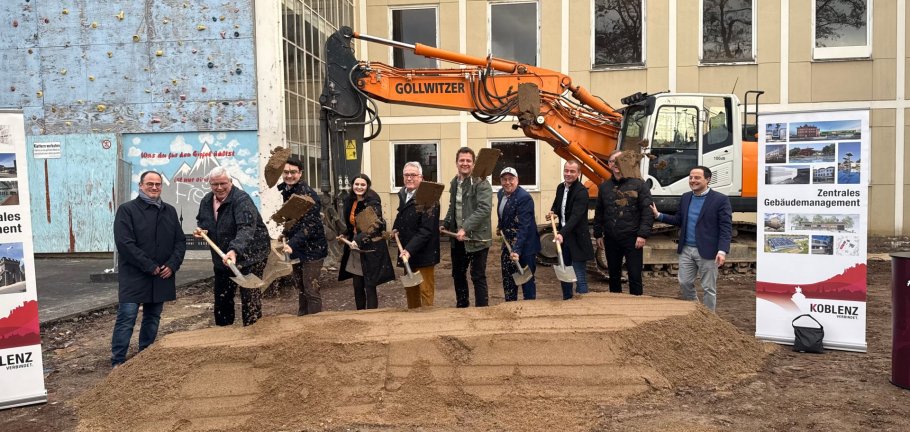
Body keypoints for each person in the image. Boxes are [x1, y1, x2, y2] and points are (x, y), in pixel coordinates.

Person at [111, 171, 186, 367]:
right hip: (135, 274)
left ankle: (145, 357)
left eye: (158, 184)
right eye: (150, 184)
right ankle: (118, 360)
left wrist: (172, 265)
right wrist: (150, 266)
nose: (154, 187)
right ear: (141, 185)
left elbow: (180, 241)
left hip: (162, 274)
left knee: (153, 317)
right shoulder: (127, 210)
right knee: (127, 316)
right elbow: (125, 243)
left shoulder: (169, 211)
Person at [194, 166, 270, 326]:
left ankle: (253, 331)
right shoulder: (207, 200)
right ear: (210, 184)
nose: (219, 188)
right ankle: (224, 330)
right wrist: (202, 229)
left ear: (231, 182)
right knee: (222, 296)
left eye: (223, 183)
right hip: (222, 256)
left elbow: (246, 228)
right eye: (215, 184)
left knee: (250, 297)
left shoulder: (241, 199)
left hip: (251, 255)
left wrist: (234, 250)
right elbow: (202, 220)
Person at [650, 166, 732, 311]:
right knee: (684, 283)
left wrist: (722, 251)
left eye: (697, 178)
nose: (693, 180)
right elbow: (679, 219)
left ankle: (709, 319)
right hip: (686, 249)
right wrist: (658, 215)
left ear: (708, 179)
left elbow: (726, 228)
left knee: (708, 288)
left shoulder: (720, 200)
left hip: (708, 251)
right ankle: (696, 311)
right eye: (691, 177)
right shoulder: (686, 197)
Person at [593, 150, 653, 295]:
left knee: (634, 274)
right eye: (613, 161)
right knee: (613, 274)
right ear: (609, 164)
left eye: (620, 160)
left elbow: (647, 211)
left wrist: (642, 235)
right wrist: (598, 234)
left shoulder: (639, 185)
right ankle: (616, 304)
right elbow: (599, 211)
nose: (616, 164)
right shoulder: (605, 187)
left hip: (632, 237)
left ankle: (636, 303)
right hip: (611, 237)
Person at [442, 147, 492, 308]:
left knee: (477, 276)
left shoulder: (481, 182)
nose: (465, 163)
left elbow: (484, 208)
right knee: (458, 274)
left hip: (477, 238)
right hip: (458, 239)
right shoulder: (455, 182)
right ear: (456, 163)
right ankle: (462, 307)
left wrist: (465, 227)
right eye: (461, 160)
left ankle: (482, 310)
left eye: (468, 160)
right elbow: (453, 206)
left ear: (473, 163)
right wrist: (446, 223)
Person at [277, 158, 328, 315]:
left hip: (313, 249)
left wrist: (292, 243)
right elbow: (293, 218)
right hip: (298, 248)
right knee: (301, 288)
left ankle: (314, 325)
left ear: (300, 173)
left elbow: (310, 225)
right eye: (286, 172)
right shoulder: (288, 191)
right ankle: (302, 321)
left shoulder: (307, 195)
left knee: (311, 289)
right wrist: (285, 233)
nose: (289, 175)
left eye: (293, 172)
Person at [338, 174, 396, 309]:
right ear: (352, 185)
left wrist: (358, 240)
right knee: (357, 285)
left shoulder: (373, 201)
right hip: (355, 248)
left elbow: (374, 225)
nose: (359, 187)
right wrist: (346, 234)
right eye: (356, 184)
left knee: (370, 285)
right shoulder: (349, 200)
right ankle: (360, 314)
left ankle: (372, 316)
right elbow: (350, 225)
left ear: (367, 186)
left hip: (370, 248)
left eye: (362, 185)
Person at [392, 161, 440, 308]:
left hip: (423, 254)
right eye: (406, 175)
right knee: (411, 292)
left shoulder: (429, 197)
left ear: (421, 178)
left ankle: (426, 323)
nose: (409, 178)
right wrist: (395, 228)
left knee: (425, 291)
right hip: (407, 252)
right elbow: (403, 214)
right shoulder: (404, 194)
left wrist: (409, 250)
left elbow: (426, 230)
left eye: (413, 175)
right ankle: (412, 320)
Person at [548, 160, 594, 300]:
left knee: (579, 275)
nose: (568, 174)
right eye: (566, 170)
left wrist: (561, 234)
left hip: (577, 239)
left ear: (578, 173)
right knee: (564, 271)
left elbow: (575, 217)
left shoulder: (581, 192)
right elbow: (557, 205)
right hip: (563, 238)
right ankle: (567, 300)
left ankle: (583, 304)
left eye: (572, 171)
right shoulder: (560, 188)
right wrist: (553, 212)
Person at [497, 167, 541, 301]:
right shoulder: (501, 193)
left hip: (525, 246)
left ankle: (529, 309)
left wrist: (516, 250)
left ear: (517, 180)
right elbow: (503, 214)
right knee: (509, 280)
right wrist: (501, 226)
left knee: (526, 281)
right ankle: (511, 307)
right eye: (504, 179)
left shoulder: (524, 198)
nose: (507, 182)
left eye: (511, 179)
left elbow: (524, 227)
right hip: (508, 244)